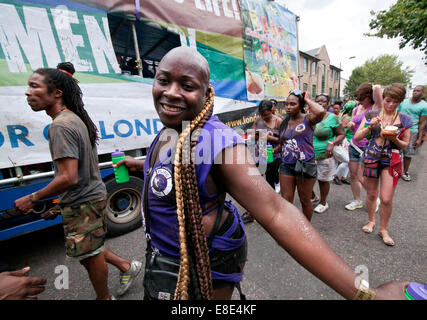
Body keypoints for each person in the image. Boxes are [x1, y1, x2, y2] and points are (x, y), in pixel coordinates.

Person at [115, 46, 409, 300]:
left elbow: (277, 211)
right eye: (163, 81)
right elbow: (177, 166)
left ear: (206, 93)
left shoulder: (218, 142)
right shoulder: (174, 129)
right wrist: (139, 164)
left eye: (187, 85)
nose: (171, 92)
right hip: (164, 261)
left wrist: (367, 294)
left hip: (203, 268)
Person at [14, 62, 142, 300]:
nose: (27, 92)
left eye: (34, 86)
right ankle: (126, 266)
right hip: (89, 197)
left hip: (83, 200)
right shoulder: (72, 118)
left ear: (57, 93)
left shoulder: (60, 126)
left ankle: (104, 297)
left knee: (89, 254)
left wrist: (32, 198)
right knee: (89, 250)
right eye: (28, 87)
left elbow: (68, 177)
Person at [354, 83, 412, 246]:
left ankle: (383, 229)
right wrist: (369, 126)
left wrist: (394, 139)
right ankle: (371, 221)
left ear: (400, 102)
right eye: (388, 100)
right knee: (372, 194)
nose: (391, 105)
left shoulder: (405, 119)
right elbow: (358, 137)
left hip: (391, 160)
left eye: (396, 102)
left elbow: (405, 145)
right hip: (372, 156)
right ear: (383, 98)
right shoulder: (371, 114)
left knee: (386, 198)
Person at [274, 90, 325, 222]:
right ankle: (290, 227)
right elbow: (282, 144)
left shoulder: (308, 119)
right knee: (286, 200)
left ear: (300, 105)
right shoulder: (284, 122)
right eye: (286, 104)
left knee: (304, 200)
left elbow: (320, 112)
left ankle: (306, 228)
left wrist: (307, 99)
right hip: (286, 164)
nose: (288, 107)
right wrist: (270, 152)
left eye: (292, 104)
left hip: (305, 165)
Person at [242, 100, 283, 223]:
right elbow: (254, 135)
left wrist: (268, 137)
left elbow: (283, 140)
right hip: (258, 152)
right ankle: (253, 210)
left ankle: (270, 207)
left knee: (270, 182)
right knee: (254, 180)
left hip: (272, 154)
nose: (264, 117)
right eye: (262, 114)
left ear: (272, 110)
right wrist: (257, 135)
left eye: (266, 114)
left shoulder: (279, 121)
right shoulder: (258, 120)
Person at [345, 83, 382, 211]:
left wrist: (373, 87)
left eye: (362, 99)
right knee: (353, 175)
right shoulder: (356, 108)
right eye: (358, 99)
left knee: (363, 177)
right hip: (354, 145)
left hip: (368, 147)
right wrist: (350, 124)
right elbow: (355, 122)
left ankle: (373, 196)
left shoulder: (375, 107)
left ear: (369, 97)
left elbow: (377, 90)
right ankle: (357, 200)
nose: (359, 102)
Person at [312, 94, 346, 214]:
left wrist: (332, 143)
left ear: (328, 104)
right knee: (306, 177)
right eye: (318, 101)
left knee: (323, 179)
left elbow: (342, 134)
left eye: (323, 101)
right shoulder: (309, 116)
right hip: (309, 155)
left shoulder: (333, 118)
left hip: (325, 155)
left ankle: (323, 202)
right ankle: (313, 196)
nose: (320, 103)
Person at [397, 85, 427, 181]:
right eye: (414, 90)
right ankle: (394, 171)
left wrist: (419, 138)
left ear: (422, 93)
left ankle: (405, 172)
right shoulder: (404, 102)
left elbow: (422, 123)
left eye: (418, 91)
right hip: (399, 129)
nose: (415, 92)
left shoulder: (424, 106)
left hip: (412, 131)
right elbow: (396, 115)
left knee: (408, 154)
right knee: (396, 152)